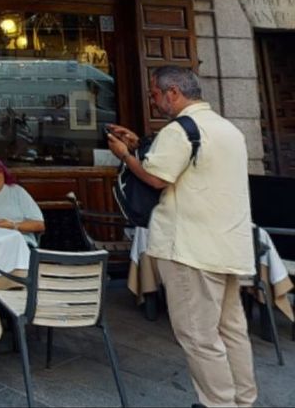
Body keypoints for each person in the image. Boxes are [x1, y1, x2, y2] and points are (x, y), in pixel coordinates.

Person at [107, 65, 255, 407]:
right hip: (228, 245)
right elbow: (191, 171)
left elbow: (157, 179)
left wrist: (126, 155)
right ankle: (243, 400)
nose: (155, 102)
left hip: (190, 248)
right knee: (231, 330)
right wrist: (142, 145)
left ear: (173, 92)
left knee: (199, 337)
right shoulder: (227, 128)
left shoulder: (181, 129)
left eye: (155, 95)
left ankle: (218, 403)